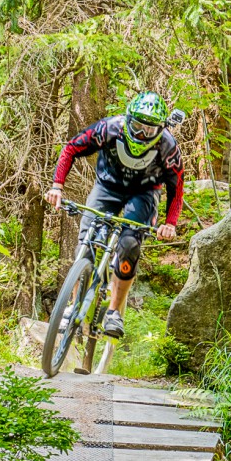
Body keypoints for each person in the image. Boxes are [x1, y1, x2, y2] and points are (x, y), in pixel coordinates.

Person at [45, 91, 183, 338]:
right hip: (106, 187)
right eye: (137, 127)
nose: (141, 135)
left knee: (129, 245)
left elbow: (177, 187)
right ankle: (72, 304)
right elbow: (70, 149)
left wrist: (170, 223)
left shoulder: (168, 147)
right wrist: (57, 186)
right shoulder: (109, 128)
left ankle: (114, 312)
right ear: (128, 120)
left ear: (160, 130)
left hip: (143, 195)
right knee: (85, 245)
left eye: (149, 131)